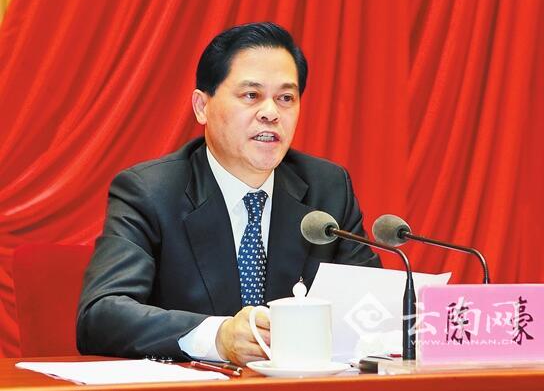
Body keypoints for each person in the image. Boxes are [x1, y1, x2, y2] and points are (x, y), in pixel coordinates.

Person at [77, 22, 381, 366]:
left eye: (285, 98)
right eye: (251, 95)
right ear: (201, 107)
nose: (271, 113)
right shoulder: (150, 192)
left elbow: (372, 305)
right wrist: (216, 337)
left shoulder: (328, 188)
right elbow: (100, 316)